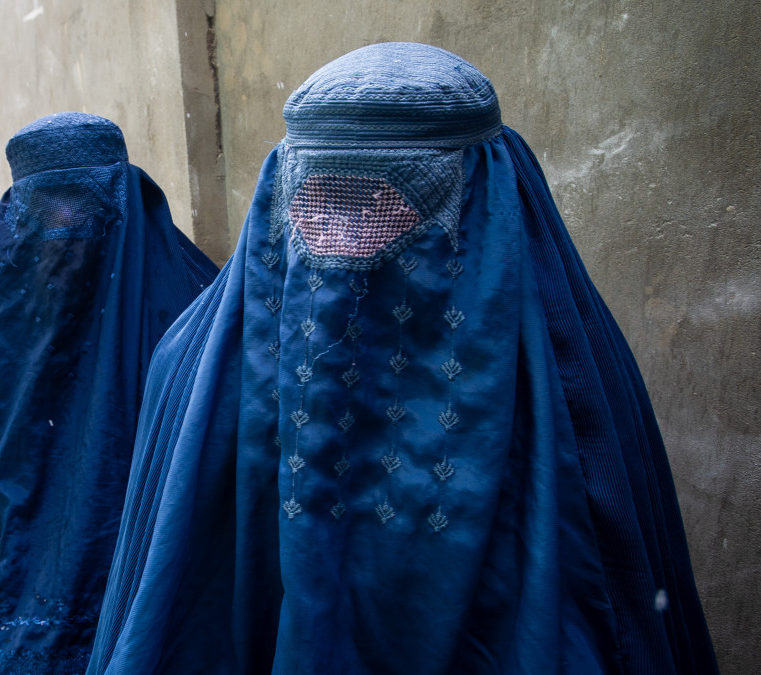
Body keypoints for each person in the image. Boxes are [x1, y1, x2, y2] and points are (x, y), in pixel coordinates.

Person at [87, 43, 719, 674]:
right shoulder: (194, 371)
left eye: (382, 205)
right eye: (319, 204)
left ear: (482, 196)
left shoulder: (572, 388)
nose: (339, 241)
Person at [0, 113, 218, 673]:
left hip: (147, 538)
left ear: (122, 194)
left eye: (82, 204)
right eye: (45, 208)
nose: (64, 223)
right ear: (17, 210)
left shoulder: (191, 297)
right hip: (26, 532)